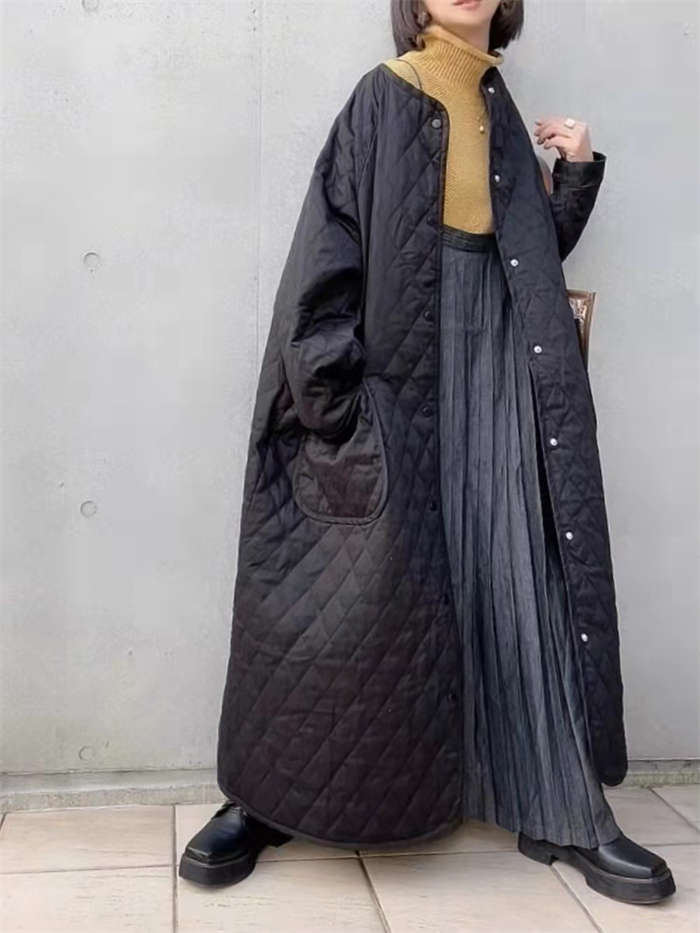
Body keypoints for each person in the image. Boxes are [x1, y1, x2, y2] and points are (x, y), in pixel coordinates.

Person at [179, 0, 676, 906]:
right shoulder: (385, 96)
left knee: (520, 571)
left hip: (501, 362)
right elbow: (327, 246)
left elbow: (528, 258)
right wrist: (332, 397)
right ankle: (268, 798)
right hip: (399, 368)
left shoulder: (499, 108)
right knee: (348, 593)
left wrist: (574, 174)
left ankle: (562, 804)